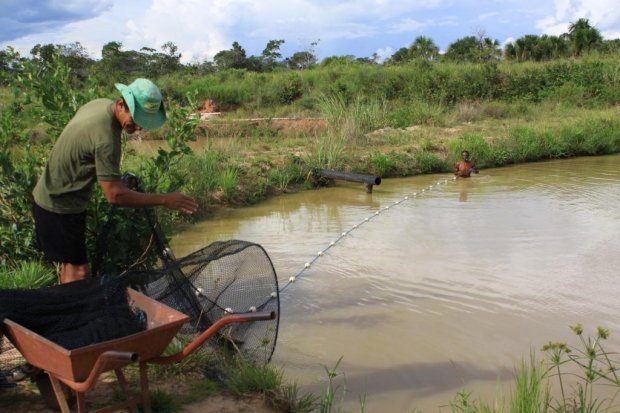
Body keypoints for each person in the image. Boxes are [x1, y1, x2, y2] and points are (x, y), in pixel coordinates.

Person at [32, 78, 198, 284]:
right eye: (136, 119)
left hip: (48, 197)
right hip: (60, 207)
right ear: (121, 104)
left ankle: (70, 308)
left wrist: (117, 180)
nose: (138, 128)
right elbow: (114, 196)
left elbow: (87, 153)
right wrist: (165, 199)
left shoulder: (99, 105)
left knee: (70, 266)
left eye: (143, 123)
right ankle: (76, 314)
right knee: (80, 275)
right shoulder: (107, 140)